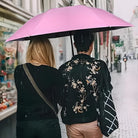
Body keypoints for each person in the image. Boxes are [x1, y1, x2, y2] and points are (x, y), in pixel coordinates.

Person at [59, 31, 116, 138]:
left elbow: (60, 97)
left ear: (75, 45)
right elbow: (107, 88)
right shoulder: (99, 66)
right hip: (94, 120)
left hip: (72, 122)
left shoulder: (64, 68)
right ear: (91, 45)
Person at [14, 37, 64, 138]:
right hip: (48, 125)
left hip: (25, 125)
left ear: (30, 49)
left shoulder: (19, 71)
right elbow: (61, 100)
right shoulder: (54, 73)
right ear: (48, 51)